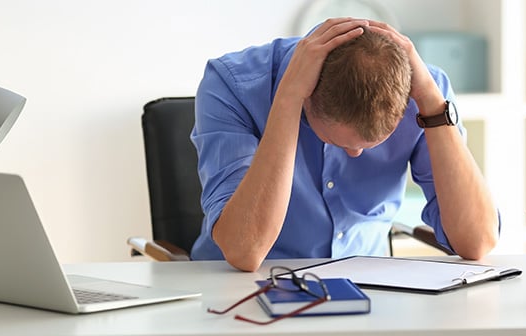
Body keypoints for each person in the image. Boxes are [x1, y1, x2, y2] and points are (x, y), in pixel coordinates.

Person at [190, 18, 499, 271]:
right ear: (308, 97)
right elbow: (245, 252)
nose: (355, 154)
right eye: (336, 140)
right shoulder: (230, 84)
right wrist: (288, 99)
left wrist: (433, 104)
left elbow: (477, 242)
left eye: (372, 144)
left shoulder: (425, 92)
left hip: (369, 291)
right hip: (242, 290)